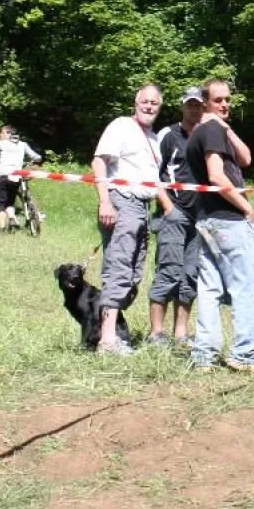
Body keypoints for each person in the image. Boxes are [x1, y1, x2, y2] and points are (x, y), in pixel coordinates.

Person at [186, 79, 254, 373]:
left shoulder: (205, 132)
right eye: (218, 100)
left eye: (228, 100)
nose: (225, 105)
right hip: (228, 219)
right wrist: (246, 206)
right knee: (245, 286)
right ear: (205, 103)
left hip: (206, 219)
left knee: (209, 289)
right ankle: (244, 355)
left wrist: (225, 126)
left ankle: (203, 355)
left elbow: (245, 158)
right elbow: (217, 176)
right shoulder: (211, 130)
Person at [91, 84, 163, 355]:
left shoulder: (153, 138)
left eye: (154, 103)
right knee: (119, 268)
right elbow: (98, 162)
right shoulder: (121, 126)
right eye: (145, 101)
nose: (149, 106)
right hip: (122, 201)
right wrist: (105, 200)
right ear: (135, 102)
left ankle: (107, 331)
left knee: (134, 276)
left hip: (143, 208)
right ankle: (107, 340)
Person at [144, 86, 206, 348]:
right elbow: (152, 173)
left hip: (200, 217)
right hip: (174, 213)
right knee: (168, 272)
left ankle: (180, 334)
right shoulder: (167, 134)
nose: (193, 108)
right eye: (189, 104)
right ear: (182, 106)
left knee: (190, 275)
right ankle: (156, 333)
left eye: (198, 104)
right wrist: (167, 206)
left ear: (204, 107)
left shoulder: (207, 135)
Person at [0, 125, 42, 232]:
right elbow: (37, 157)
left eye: (2, 133)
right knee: (10, 202)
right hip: (16, 178)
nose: (0, 135)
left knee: (0, 204)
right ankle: (12, 217)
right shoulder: (23, 145)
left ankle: (2, 229)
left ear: (8, 134)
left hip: (2, 176)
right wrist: (30, 162)